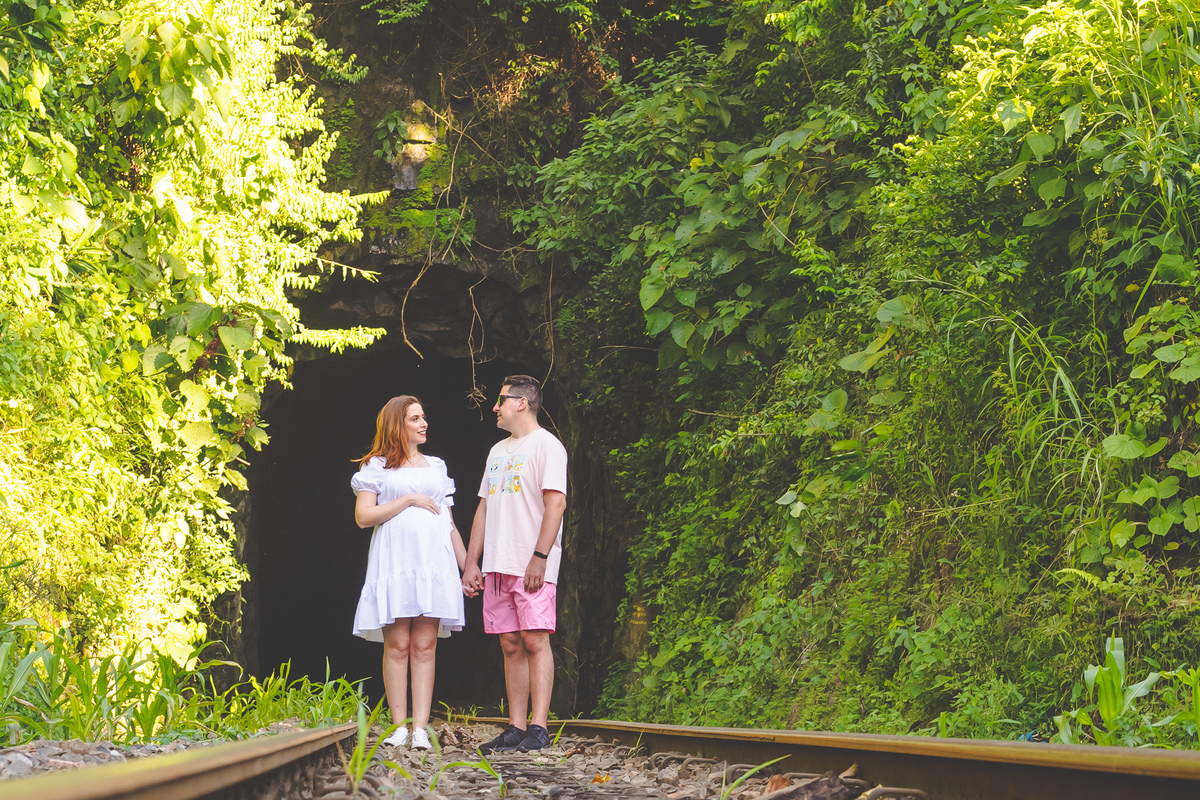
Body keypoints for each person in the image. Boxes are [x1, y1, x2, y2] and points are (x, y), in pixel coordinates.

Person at [351, 395, 467, 750]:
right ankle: (398, 725)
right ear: (397, 425)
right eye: (415, 418)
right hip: (396, 561)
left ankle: (420, 728)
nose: (423, 423)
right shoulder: (377, 466)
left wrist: (468, 566)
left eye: (423, 416)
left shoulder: (436, 466)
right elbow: (363, 517)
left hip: (434, 561)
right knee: (398, 643)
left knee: (425, 643)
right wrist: (408, 500)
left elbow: (447, 520)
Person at [462, 375, 568, 754]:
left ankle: (538, 728)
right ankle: (516, 727)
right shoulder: (496, 451)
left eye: (501, 400)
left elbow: (555, 504)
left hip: (531, 562)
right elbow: (484, 507)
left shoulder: (547, 446)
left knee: (535, 638)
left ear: (522, 403)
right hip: (497, 565)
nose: (495, 407)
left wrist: (540, 557)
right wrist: (472, 562)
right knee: (510, 643)